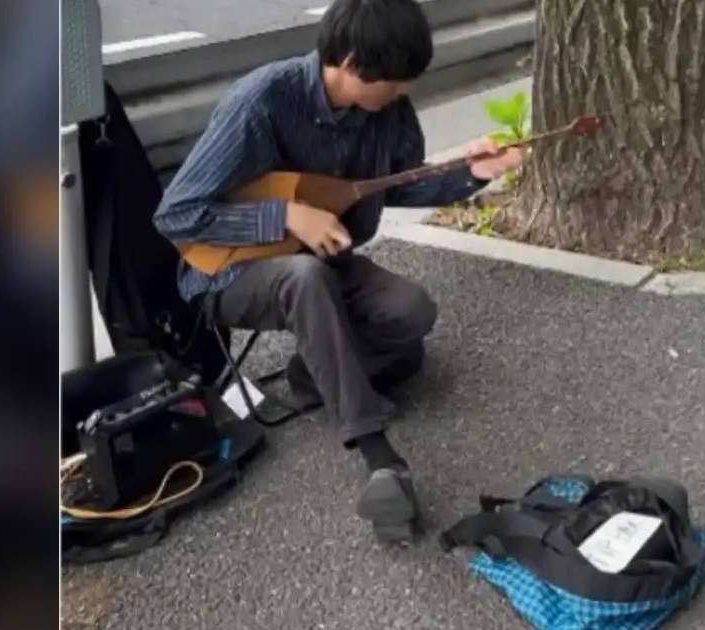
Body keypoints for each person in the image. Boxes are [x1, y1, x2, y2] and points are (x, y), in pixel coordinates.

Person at [153, 0, 523, 542]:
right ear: (349, 62)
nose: (400, 94)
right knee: (304, 279)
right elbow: (176, 214)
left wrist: (472, 175)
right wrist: (286, 213)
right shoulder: (263, 100)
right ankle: (378, 455)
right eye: (392, 82)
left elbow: (405, 184)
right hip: (228, 274)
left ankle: (312, 377)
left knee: (411, 315)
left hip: (322, 261)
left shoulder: (389, 111)